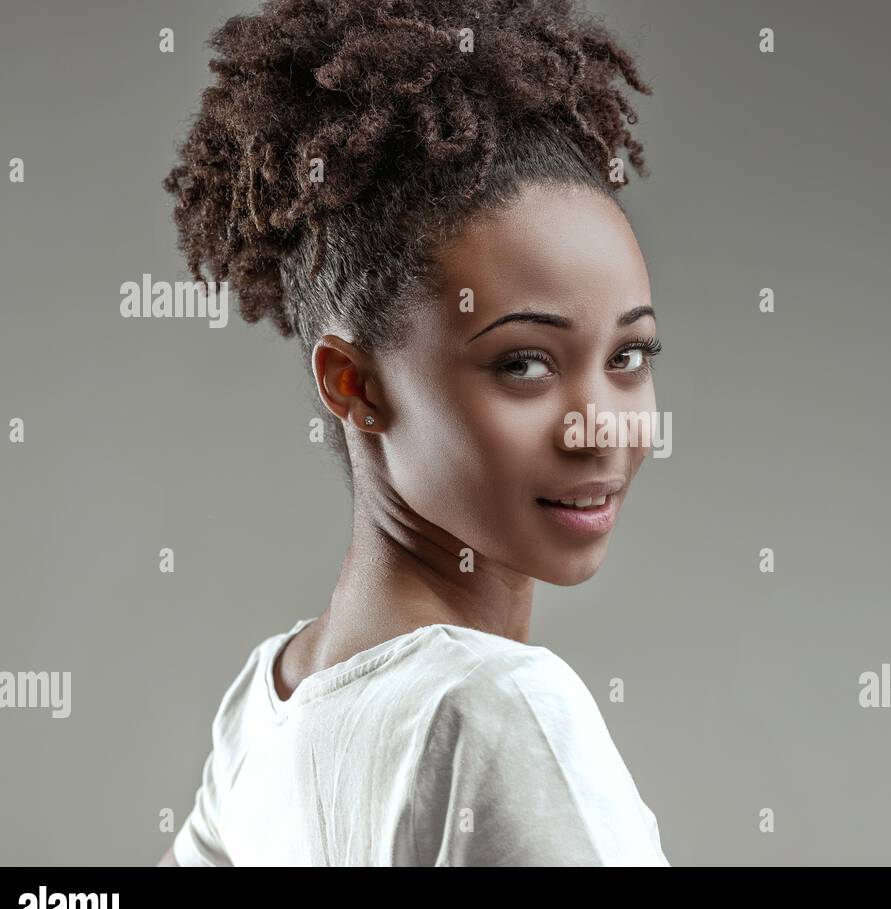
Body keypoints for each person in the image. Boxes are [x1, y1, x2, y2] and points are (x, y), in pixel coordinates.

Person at [155, 0, 668, 865]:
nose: (598, 430)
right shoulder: (497, 711)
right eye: (524, 365)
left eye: (629, 355)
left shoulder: (269, 702)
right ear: (353, 385)